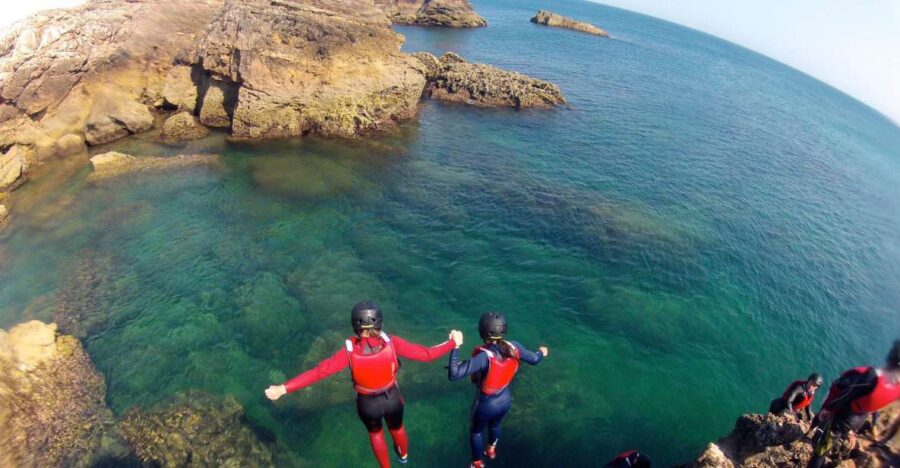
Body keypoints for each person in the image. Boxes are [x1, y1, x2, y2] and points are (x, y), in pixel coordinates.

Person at [265, 300, 463, 468]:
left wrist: (283, 388)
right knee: (398, 429)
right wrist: (452, 343)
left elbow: (318, 373)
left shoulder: (349, 351)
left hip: (367, 405)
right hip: (392, 398)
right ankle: (403, 457)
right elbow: (427, 355)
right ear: (380, 324)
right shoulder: (391, 342)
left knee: (376, 434)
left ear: (355, 326)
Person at [448, 312, 548, 468]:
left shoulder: (483, 357)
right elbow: (534, 359)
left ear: (482, 332)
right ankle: (491, 450)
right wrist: (541, 352)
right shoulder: (515, 347)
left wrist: (455, 346)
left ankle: (477, 463)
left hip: (485, 405)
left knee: (476, 432)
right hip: (505, 400)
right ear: (504, 330)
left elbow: (454, 375)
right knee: (495, 426)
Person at [809, 340, 900, 467]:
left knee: (821, 450)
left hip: (842, 418)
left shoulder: (873, 376)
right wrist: (863, 427)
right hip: (858, 420)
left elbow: (847, 395)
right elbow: (875, 407)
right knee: (834, 438)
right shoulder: (897, 388)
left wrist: (828, 408)